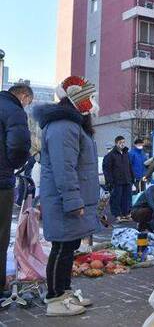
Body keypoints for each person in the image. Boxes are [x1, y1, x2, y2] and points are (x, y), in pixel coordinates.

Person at [35, 76, 100, 317]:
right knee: (61, 248)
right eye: (89, 97)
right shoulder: (64, 126)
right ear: (77, 99)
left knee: (69, 246)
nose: (93, 103)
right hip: (64, 201)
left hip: (69, 200)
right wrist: (74, 201)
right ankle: (54, 298)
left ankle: (64, 291)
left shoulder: (72, 125)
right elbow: (65, 168)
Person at [0, 83, 32, 297]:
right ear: (22, 95)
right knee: (1, 234)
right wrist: (14, 165)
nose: (27, 106)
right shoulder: (14, 110)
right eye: (28, 102)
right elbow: (20, 145)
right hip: (1, 180)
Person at [102, 136, 134, 222]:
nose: (122, 144)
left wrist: (132, 178)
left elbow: (129, 167)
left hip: (127, 180)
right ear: (116, 143)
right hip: (117, 181)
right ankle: (117, 215)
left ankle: (126, 213)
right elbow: (107, 169)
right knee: (116, 198)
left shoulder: (126, 153)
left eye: (123, 142)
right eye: (120, 142)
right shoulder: (111, 155)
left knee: (127, 198)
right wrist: (109, 181)